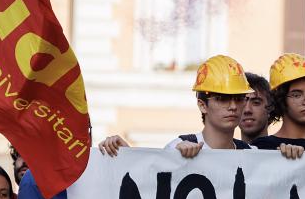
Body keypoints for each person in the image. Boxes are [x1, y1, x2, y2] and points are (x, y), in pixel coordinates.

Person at [99, 55, 255, 159]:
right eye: (222, 99)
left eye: (239, 99)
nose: (233, 106)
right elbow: (148, 184)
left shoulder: (252, 155)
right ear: (202, 105)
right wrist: (125, 156)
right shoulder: (177, 148)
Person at [239, 71, 274, 144]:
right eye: (242, 102)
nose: (247, 110)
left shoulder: (284, 150)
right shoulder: (221, 150)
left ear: (270, 108)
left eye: (256, 103)